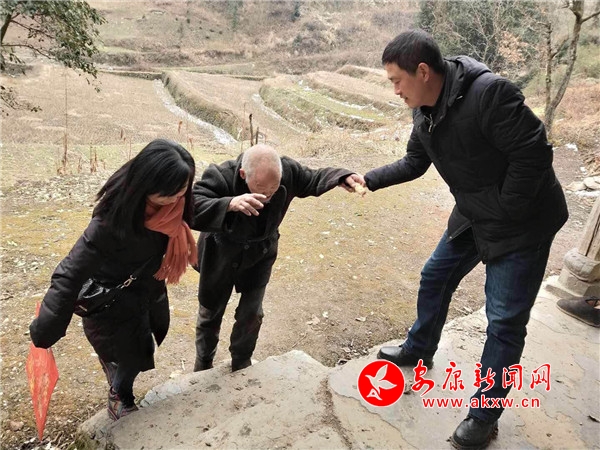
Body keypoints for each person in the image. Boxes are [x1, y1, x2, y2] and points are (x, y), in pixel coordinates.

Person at [353, 30, 568, 449]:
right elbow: (415, 161)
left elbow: (535, 154)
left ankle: (485, 415)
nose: (395, 90)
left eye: (397, 81)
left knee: (504, 322)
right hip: (474, 212)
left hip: (522, 222)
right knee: (435, 276)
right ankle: (419, 348)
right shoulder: (424, 110)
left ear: (422, 71)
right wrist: (369, 179)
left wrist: (505, 209)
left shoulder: (490, 94)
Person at [29, 139, 197, 420]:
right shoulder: (109, 222)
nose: (178, 199)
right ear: (146, 186)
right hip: (111, 303)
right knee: (130, 357)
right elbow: (70, 274)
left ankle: (117, 376)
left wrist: (230, 204)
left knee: (142, 349)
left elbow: (200, 208)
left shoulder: (177, 204)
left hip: (147, 291)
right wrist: (45, 330)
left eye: (183, 191)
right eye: (171, 194)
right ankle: (119, 397)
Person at [191, 144, 361, 372]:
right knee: (210, 312)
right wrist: (229, 204)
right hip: (221, 254)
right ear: (243, 174)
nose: (268, 194)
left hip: (259, 255)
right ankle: (203, 362)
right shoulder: (220, 175)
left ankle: (241, 361)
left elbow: (313, 178)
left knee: (252, 313)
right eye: (261, 188)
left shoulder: (288, 171)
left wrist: (342, 176)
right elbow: (192, 205)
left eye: (274, 187)